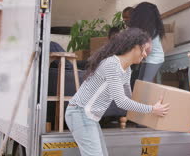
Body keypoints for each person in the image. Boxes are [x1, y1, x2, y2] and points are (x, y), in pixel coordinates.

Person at [65, 28, 170, 156]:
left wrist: (151, 109)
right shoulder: (112, 65)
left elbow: (129, 98)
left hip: (88, 116)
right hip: (79, 112)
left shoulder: (126, 69)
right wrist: (151, 109)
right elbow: (121, 102)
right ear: (135, 47)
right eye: (145, 50)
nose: (145, 55)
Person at [129, 2, 165, 82]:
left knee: (145, 81)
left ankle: (145, 94)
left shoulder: (150, 30)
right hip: (148, 58)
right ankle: (140, 94)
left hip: (155, 58)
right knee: (140, 81)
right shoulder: (148, 28)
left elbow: (148, 49)